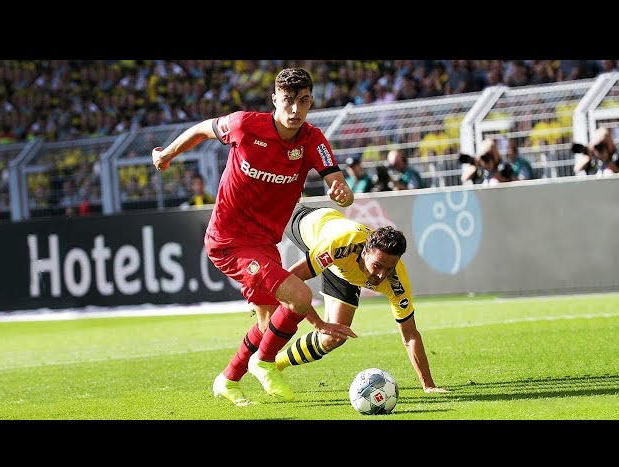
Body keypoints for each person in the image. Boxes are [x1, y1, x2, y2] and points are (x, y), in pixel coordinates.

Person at [152, 67, 356, 406]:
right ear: (274, 99)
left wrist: (343, 192)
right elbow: (203, 129)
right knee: (300, 297)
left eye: (303, 102)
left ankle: (228, 379)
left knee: (267, 323)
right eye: (288, 101)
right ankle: (263, 363)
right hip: (229, 240)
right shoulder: (245, 125)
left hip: (264, 243)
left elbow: (337, 181)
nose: (295, 110)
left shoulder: (312, 139)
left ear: (310, 103)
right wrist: (167, 154)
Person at [276, 203, 448, 394]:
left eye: (389, 267)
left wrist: (429, 385)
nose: (382, 275)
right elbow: (286, 281)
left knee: (334, 337)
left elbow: (410, 335)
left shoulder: (397, 281)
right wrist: (318, 323)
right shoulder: (340, 244)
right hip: (309, 226)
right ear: (365, 252)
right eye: (378, 265)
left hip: (343, 269)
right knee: (273, 301)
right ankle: (257, 361)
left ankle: (276, 365)